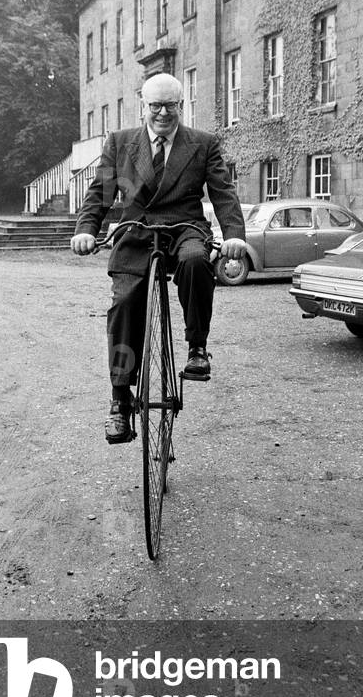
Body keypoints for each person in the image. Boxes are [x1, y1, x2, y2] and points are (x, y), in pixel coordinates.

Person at [71, 72, 246, 443]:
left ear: (181, 106)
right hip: (135, 232)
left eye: (171, 105)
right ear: (143, 107)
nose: (163, 113)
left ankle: (197, 347)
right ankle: (120, 398)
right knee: (124, 304)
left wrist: (233, 237)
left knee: (197, 260)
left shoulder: (203, 143)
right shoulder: (119, 143)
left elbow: (224, 194)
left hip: (184, 228)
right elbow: (99, 195)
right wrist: (86, 230)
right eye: (155, 106)